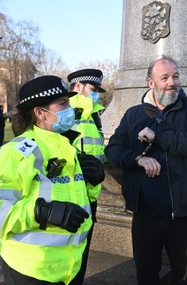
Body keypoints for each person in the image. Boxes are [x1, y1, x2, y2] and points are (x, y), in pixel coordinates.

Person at [0, 75, 104, 284]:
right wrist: (39, 212)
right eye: (63, 103)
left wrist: (92, 181)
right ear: (40, 113)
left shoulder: (68, 146)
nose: (70, 108)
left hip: (69, 266)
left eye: (68, 102)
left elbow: (77, 198)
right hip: (31, 268)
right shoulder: (16, 151)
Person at [105, 55, 187, 284]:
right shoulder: (133, 114)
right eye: (164, 77)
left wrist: (159, 137)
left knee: (183, 277)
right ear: (150, 83)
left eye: (175, 76)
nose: (171, 82)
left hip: (184, 215)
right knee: (146, 275)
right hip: (145, 214)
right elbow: (113, 150)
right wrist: (137, 159)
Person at [67, 68, 106, 285]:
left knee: (82, 251)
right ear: (78, 86)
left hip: (91, 194)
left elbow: (96, 149)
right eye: (93, 89)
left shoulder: (93, 115)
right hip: (72, 194)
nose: (96, 94)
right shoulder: (67, 112)